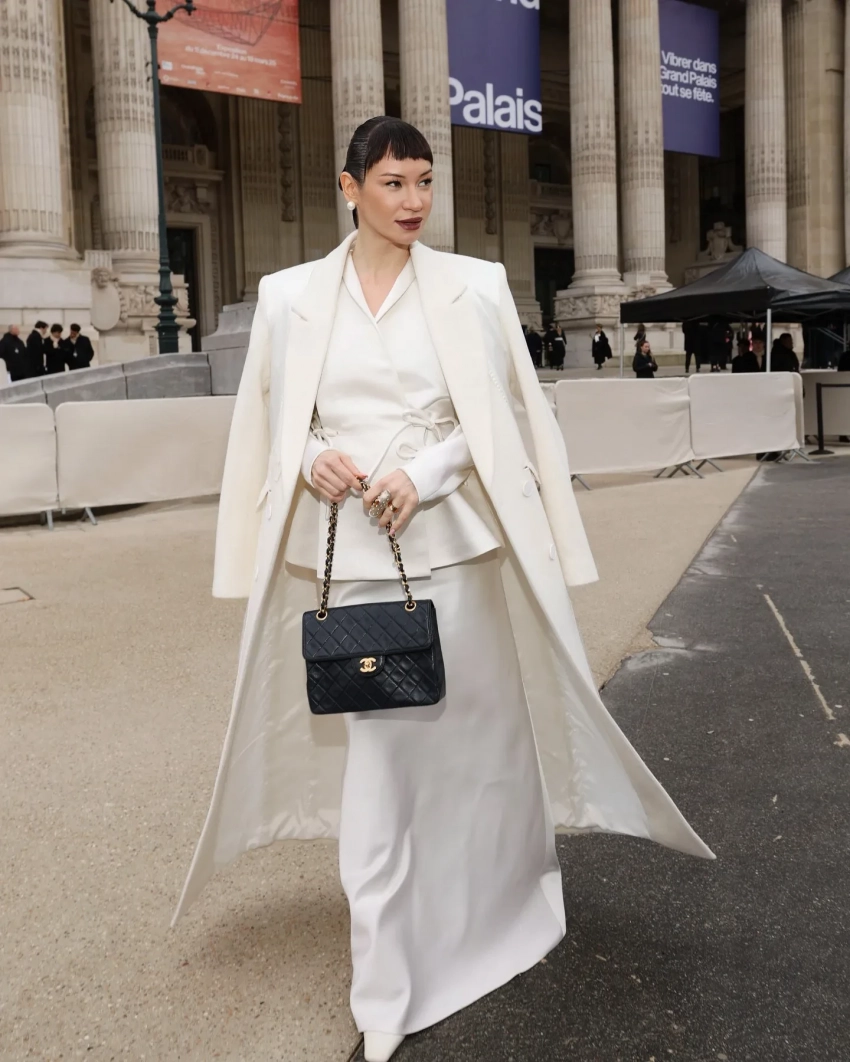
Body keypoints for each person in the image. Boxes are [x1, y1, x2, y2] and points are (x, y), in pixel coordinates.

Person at [171, 115, 712, 1062]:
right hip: (349, 561)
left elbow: (502, 414)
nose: (414, 200)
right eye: (393, 183)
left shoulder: (477, 283)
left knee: (482, 754)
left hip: (455, 551)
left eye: (424, 181)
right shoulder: (288, 295)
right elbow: (273, 415)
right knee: (382, 771)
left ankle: (504, 912)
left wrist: (424, 473)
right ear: (350, 188)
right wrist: (312, 456)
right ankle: (385, 983)